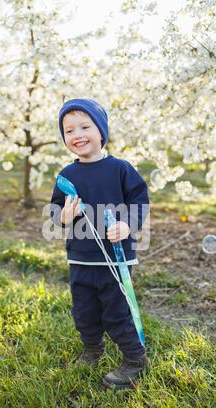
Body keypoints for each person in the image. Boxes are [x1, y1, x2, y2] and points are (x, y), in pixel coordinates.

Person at [49, 98, 150, 389]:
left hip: (116, 259)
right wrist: (65, 216)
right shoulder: (67, 175)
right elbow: (55, 210)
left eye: (85, 126)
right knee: (84, 311)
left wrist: (127, 224)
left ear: (101, 131)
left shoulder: (120, 169)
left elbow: (140, 202)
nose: (77, 135)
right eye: (69, 130)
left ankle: (134, 358)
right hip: (80, 257)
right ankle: (92, 348)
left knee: (116, 311)